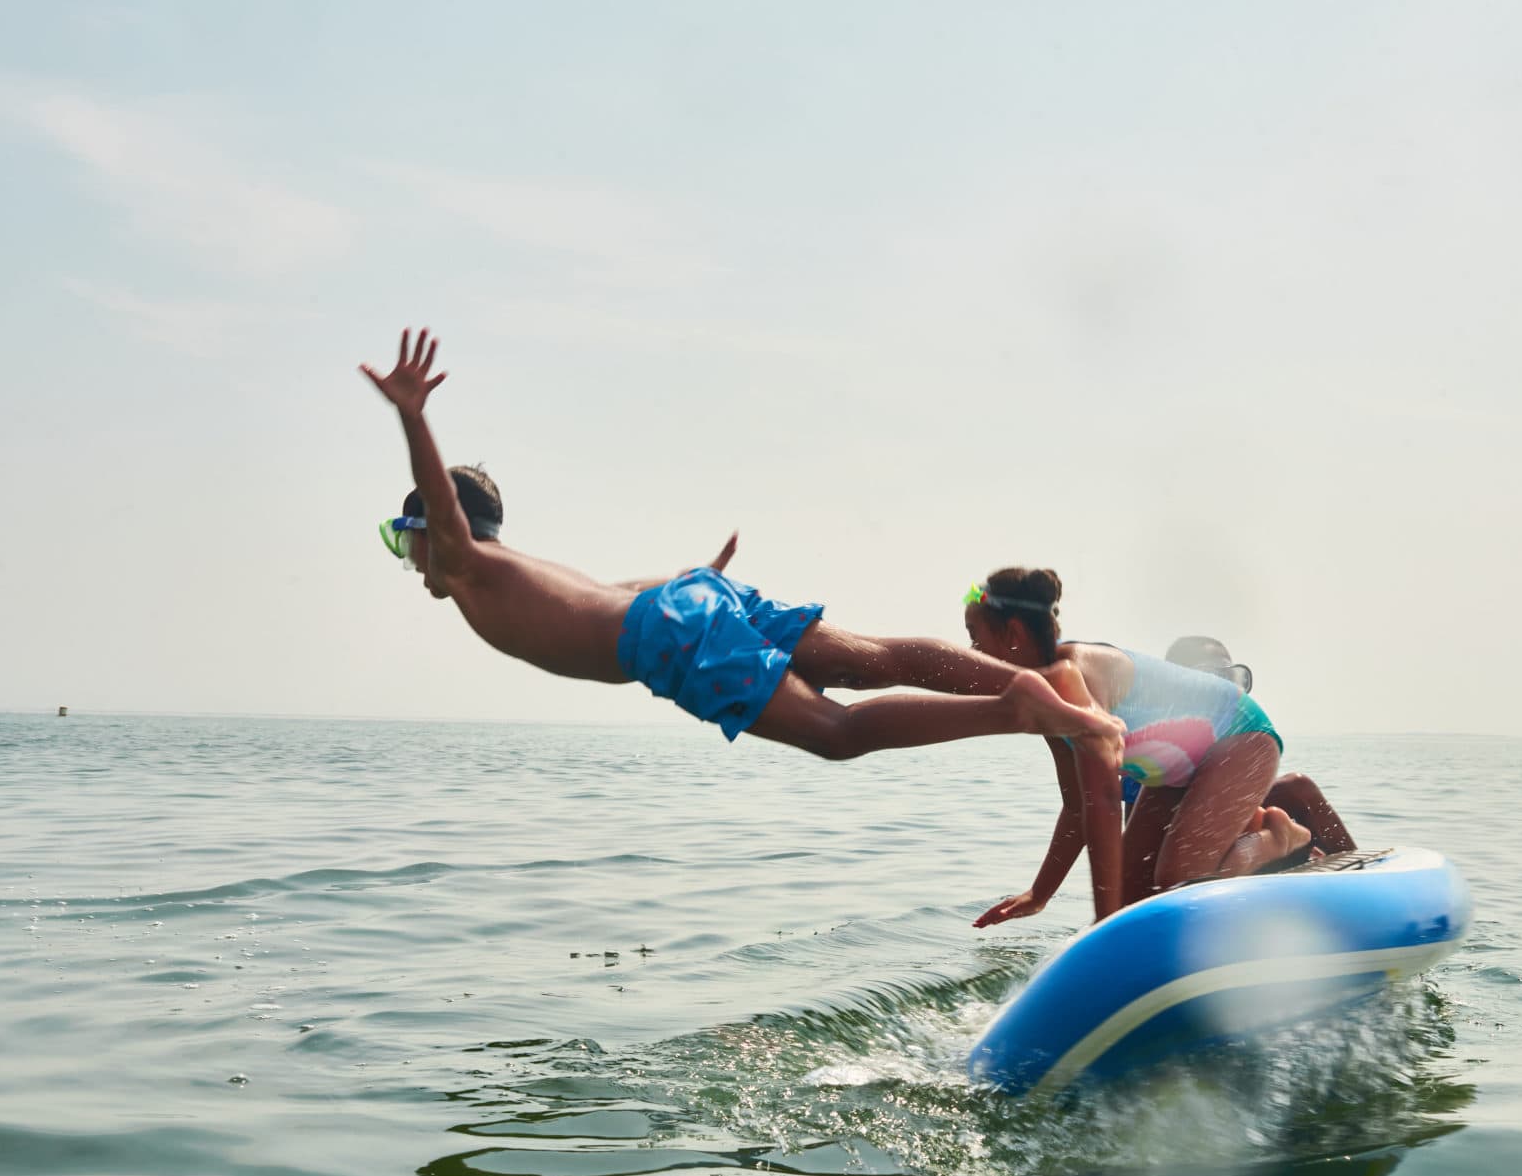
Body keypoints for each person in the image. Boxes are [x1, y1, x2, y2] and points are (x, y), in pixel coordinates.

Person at [361, 329, 1125, 762]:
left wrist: (412, 418)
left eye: (407, 537)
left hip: (669, 634)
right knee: (875, 661)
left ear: (431, 528)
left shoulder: (466, 569)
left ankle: (1017, 705)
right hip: (685, 598)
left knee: (838, 734)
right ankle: (1031, 687)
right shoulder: (517, 570)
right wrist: (700, 577)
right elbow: (610, 592)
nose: (412, 558)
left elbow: (452, 533)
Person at [963, 568, 1306, 929]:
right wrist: (1040, 895)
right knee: (1131, 895)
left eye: (974, 637)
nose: (972, 652)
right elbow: (1078, 806)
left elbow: (1105, 799)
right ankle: (1245, 829)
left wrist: (1103, 922)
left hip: (1239, 735)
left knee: (1178, 881)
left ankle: (1275, 838)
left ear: (1013, 634)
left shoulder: (1077, 670)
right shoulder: (1046, 700)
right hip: (1175, 767)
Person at [1163, 635, 1357, 856]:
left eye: (1231, 677)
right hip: (1181, 833)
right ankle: (1278, 842)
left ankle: (1361, 870)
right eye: (1210, 677)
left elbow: (1241, 801)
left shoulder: (1235, 733)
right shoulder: (1154, 741)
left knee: (1298, 787)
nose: (1224, 690)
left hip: (1229, 821)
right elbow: (1140, 829)